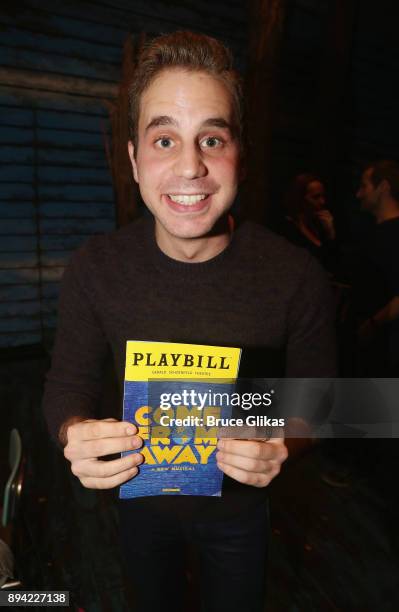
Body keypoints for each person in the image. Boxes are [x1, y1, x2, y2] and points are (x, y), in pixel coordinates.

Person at [43, 31, 336, 612]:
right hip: (139, 505)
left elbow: (328, 399)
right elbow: (65, 386)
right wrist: (71, 433)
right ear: (132, 158)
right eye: (163, 138)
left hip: (241, 511)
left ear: (241, 156)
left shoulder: (297, 275)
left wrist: (286, 440)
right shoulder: (95, 268)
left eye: (211, 137)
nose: (189, 165)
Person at [355, 160, 399, 376]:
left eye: (364, 186)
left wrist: (372, 324)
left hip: (383, 355)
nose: (359, 194)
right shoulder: (372, 232)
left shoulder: (394, 235)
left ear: (383, 187)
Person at [278, 173, 338, 275]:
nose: (322, 202)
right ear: (300, 198)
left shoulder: (318, 225)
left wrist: (330, 233)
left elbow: (332, 263)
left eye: (323, 196)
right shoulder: (287, 228)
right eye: (316, 197)